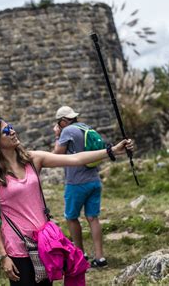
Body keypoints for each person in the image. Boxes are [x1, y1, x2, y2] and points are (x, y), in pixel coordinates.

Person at [0, 116, 133, 285]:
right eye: (6, 130)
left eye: (11, 127)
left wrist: (111, 150)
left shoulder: (32, 159)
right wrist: (3, 255)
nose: (12, 131)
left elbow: (76, 159)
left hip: (44, 243)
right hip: (17, 247)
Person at [52, 106, 112, 268]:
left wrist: (57, 135)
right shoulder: (85, 127)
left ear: (63, 121)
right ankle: (100, 258)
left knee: (71, 217)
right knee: (93, 218)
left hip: (76, 182)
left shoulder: (67, 131)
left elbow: (56, 154)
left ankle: (80, 254)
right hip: (94, 180)